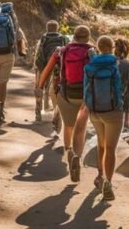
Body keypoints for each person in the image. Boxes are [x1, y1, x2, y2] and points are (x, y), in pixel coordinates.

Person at [85, 36, 129, 200]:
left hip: (95, 111)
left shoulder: (93, 63)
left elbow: (87, 87)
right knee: (110, 148)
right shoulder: (127, 65)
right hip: (114, 112)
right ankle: (108, 183)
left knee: (101, 145)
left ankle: (99, 176)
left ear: (98, 47)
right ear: (112, 47)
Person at [37, 25, 94, 182]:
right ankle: (77, 156)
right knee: (80, 129)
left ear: (74, 37)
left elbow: (47, 70)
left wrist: (39, 87)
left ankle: (68, 150)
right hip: (85, 97)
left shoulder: (61, 51)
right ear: (88, 37)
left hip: (65, 94)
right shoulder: (92, 51)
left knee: (68, 126)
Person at [0, 0, 24, 121]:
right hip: (8, 54)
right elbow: (17, 34)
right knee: (3, 83)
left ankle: (0, 105)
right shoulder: (10, 17)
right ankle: (0, 105)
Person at [33, 20, 69, 123]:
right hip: (59, 66)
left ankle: (38, 112)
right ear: (57, 28)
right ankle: (57, 113)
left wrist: (38, 68)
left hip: (43, 66)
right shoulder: (63, 39)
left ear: (47, 28)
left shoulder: (43, 39)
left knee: (39, 88)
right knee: (56, 89)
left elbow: (38, 55)